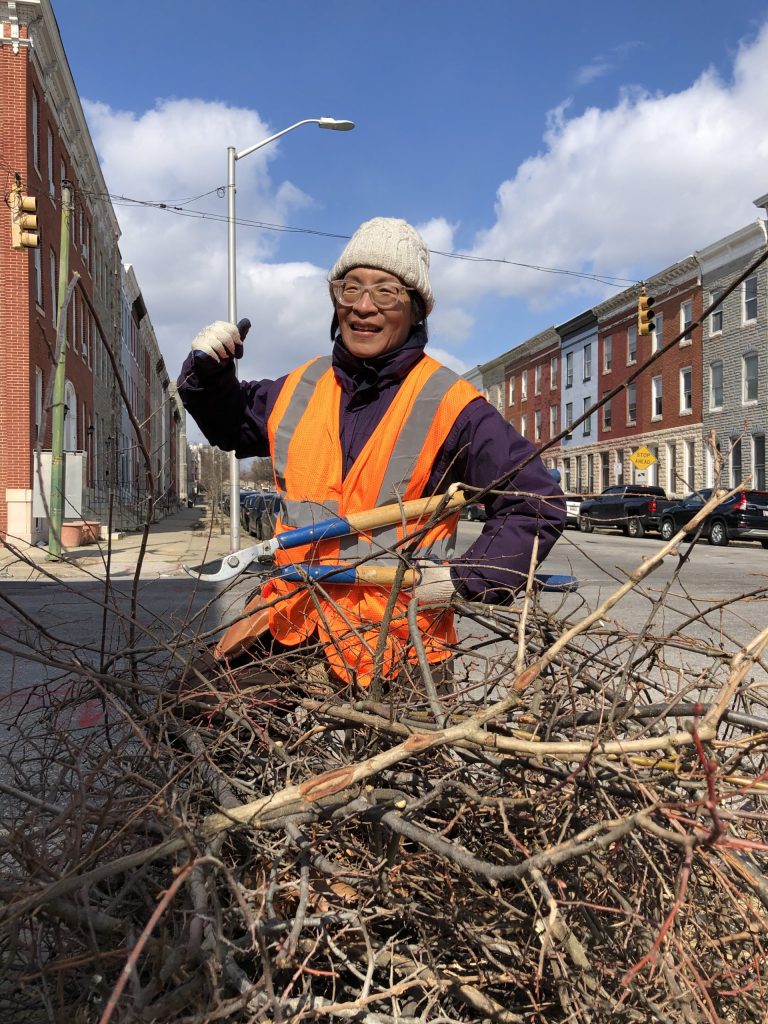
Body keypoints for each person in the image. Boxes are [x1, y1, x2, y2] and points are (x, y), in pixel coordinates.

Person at [178, 217, 564, 689]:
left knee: (402, 762)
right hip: (293, 618)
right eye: (350, 288)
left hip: (396, 640)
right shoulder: (298, 388)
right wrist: (210, 374)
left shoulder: (452, 404)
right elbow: (230, 423)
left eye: (386, 292)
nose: (363, 306)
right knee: (195, 704)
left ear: (417, 309)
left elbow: (535, 503)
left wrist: (464, 580)